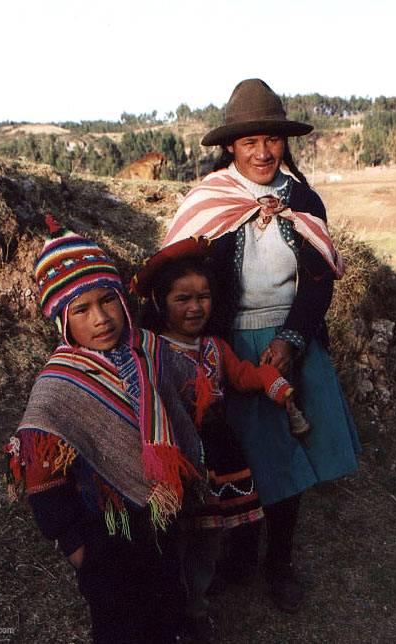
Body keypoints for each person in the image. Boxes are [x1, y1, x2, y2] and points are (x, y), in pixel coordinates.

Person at [161, 79, 361, 613]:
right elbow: (184, 278)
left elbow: (319, 280)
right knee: (243, 458)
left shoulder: (303, 198)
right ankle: (239, 558)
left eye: (272, 140)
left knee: (289, 462)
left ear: (284, 142)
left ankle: (279, 564)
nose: (262, 152)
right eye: (250, 142)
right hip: (229, 345)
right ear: (232, 146)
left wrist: (293, 339)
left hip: (291, 339)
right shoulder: (209, 202)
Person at [4, 216, 205, 644]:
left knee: (166, 592)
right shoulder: (58, 386)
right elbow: (43, 478)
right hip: (104, 529)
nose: (101, 318)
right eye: (81, 309)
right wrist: (76, 546)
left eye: (108, 301)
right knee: (118, 620)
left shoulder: (149, 350)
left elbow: (179, 407)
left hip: (160, 513)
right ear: (62, 321)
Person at [131, 237, 302, 639]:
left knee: (207, 533)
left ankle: (196, 605)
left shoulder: (215, 346)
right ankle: (168, 604)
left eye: (204, 296)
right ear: (159, 302)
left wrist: (269, 379)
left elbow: (242, 374)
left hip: (218, 455)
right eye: (182, 298)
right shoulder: (147, 348)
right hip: (175, 454)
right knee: (171, 536)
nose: (195, 307)